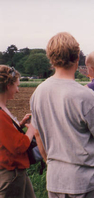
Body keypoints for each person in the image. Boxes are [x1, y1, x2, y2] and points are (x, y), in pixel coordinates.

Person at [30, 32, 94, 198]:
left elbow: (37, 133)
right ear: (77, 59)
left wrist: (48, 161)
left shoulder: (38, 93)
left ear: (51, 60)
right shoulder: (86, 96)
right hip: (87, 181)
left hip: (56, 180)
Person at [0, 65, 36, 198]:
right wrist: (32, 128)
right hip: (10, 174)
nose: (18, 90)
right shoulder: (1, 114)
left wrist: (19, 125)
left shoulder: (3, 108)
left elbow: (6, 136)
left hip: (16, 171)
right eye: (16, 85)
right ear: (8, 85)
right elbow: (18, 146)